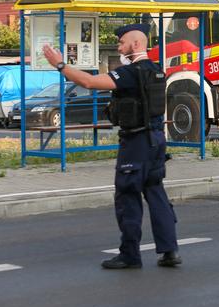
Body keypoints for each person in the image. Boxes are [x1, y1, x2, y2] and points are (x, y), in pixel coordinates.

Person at [42, 23, 181, 269]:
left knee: (127, 195)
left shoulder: (131, 73)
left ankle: (130, 255)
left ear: (136, 44)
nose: (118, 47)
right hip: (157, 140)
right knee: (156, 192)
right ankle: (169, 251)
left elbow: (89, 82)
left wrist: (60, 65)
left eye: (122, 42)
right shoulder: (155, 70)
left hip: (136, 142)